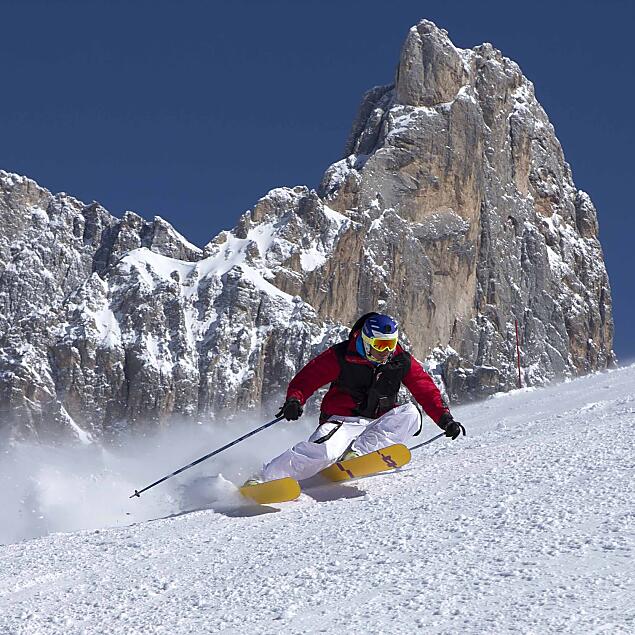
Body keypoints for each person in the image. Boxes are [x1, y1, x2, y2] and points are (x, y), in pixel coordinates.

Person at [255, 312, 465, 483]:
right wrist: (295, 399)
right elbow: (307, 378)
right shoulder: (341, 356)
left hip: (376, 426)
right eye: (380, 345)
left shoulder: (400, 360)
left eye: (391, 344)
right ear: (366, 341)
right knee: (324, 453)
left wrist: (445, 420)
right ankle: (265, 477)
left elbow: (425, 389)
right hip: (342, 422)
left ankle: (358, 454)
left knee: (411, 414)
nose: (386, 351)